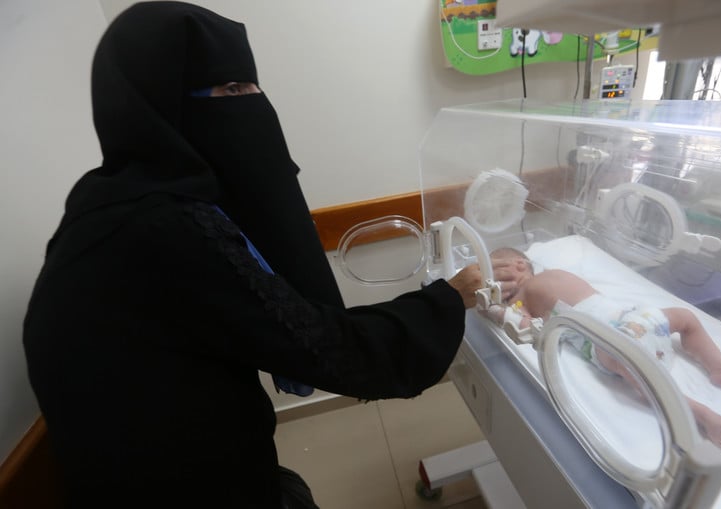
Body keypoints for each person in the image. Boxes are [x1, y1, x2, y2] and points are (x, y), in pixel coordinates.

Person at [21, 2, 483, 508]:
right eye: (234, 90)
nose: (256, 104)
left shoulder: (110, 198)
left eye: (253, 86)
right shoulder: (160, 229)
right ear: (162, 104)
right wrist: (450, 298)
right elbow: (325, 348)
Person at [487, 247, 721, 453]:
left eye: (497, 271)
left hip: (634, 317)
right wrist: (497, 308)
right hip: (601, 339)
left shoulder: (546, 274)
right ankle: (699, 412)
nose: (497, 281)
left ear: (520, 265)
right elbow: (522, 324)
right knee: (625, 364)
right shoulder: (520, 299)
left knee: (685, 317)